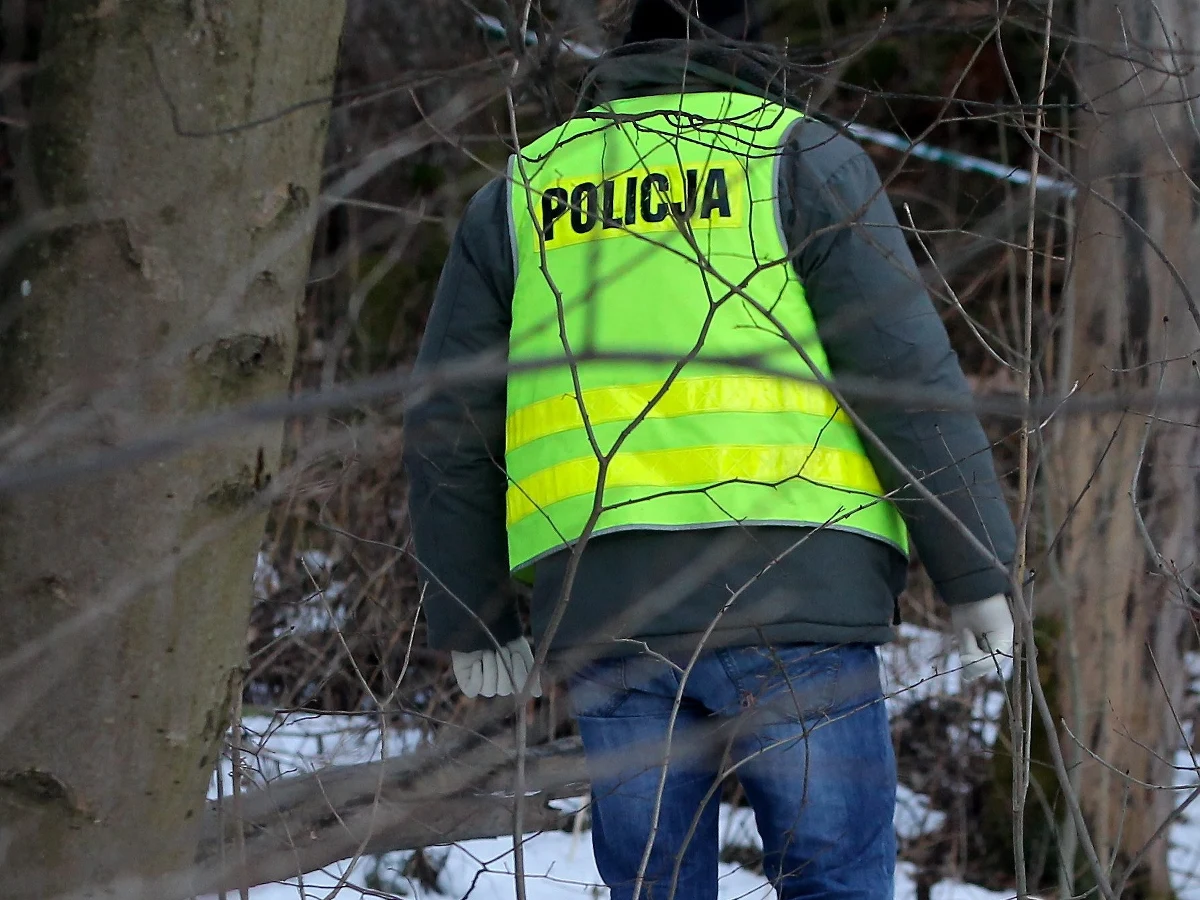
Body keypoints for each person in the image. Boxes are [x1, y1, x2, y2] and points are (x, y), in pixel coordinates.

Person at [403, 1, 1017, 897]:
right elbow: (904, 377)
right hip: (799, 590)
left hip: (606, 612)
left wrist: (474, 615)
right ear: (753, 52)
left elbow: (448, 424)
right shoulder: (797, 154)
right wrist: (976, 570)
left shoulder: (522, 191)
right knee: (836, 880)